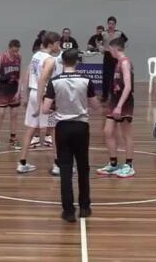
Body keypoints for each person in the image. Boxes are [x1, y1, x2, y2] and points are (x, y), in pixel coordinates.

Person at [42, 48, 100, 222]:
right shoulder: (86, 80)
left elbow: (45, 109)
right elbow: (96, 106)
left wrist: (57, 106)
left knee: (65, 170)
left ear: (62, 62)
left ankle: (68, 211)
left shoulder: (54, 82)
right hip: (81, 126)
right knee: (83, 167)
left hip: (63, 128)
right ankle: (84, 207)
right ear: (77, 62)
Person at [17, 31, 61, 173]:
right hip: (44, 95)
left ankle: (22, 163)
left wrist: (25, 95)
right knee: (54, 130)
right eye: (57, 43)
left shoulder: (36, 55)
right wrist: (39, 102)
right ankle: (57, 165)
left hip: (34, 93)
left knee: (30, 129)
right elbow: (42, 79)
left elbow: (27, 74)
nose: (59, 46)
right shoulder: (50, 60)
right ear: (51, 44)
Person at [97, 38, 135, 178]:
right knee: (107, 131)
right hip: (114, 100)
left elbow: (128, 86)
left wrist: (119, 106)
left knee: (126, 134)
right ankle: (113, 164)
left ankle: (129, 165)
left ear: (115, 48)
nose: (109, 52)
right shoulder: (118, 62)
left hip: (123, 102)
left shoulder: (125, 62)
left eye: (110, 49)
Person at [0, 39, 22, 152]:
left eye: (17, 51)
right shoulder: (2, 58)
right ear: (9, 48)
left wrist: (19, 91)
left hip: (14, 89)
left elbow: (19, 76)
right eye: (13, 51)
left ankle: (13, 138)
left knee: (14, 114)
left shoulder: (19, 57)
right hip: (3, 89)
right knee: (1, 114)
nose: (15, 53)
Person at [101, 17, 128, 102]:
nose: (111, 25)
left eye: (112, 24)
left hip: (115, 56)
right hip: (107, 55)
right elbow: (97, 41)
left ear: (115, 24)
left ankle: (114, 94)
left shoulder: (119, 33)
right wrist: (101, 48)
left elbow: (126, 41)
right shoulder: (103, 33)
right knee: (106, 76)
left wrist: (120, 49)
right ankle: (104, 95)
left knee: (115, 76)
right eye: (109, 23)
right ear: (107, 24)